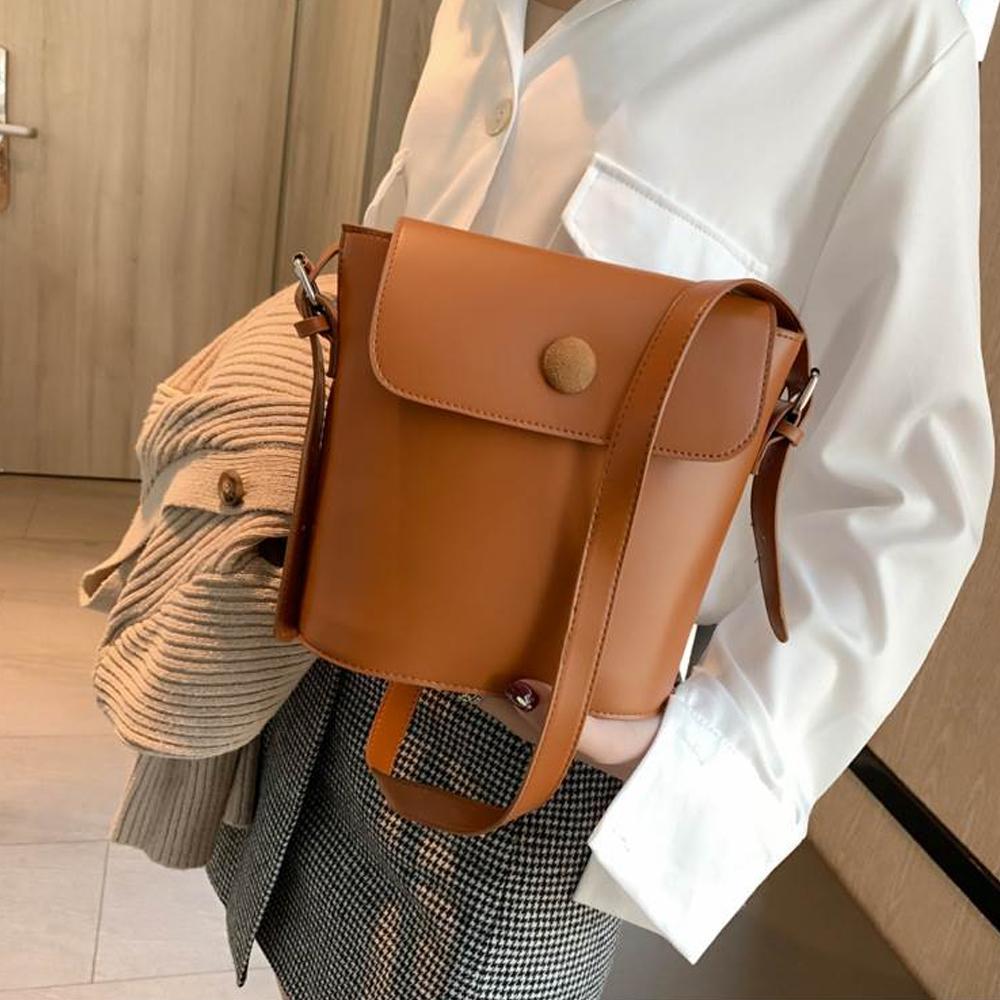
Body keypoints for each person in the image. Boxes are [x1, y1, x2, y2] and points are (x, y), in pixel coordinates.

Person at [205, 1, 995, 998]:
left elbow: (906, 490)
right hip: (331, 659)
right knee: (291, 951)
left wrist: (689, 758)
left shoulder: (883, 28)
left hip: (533, 750)